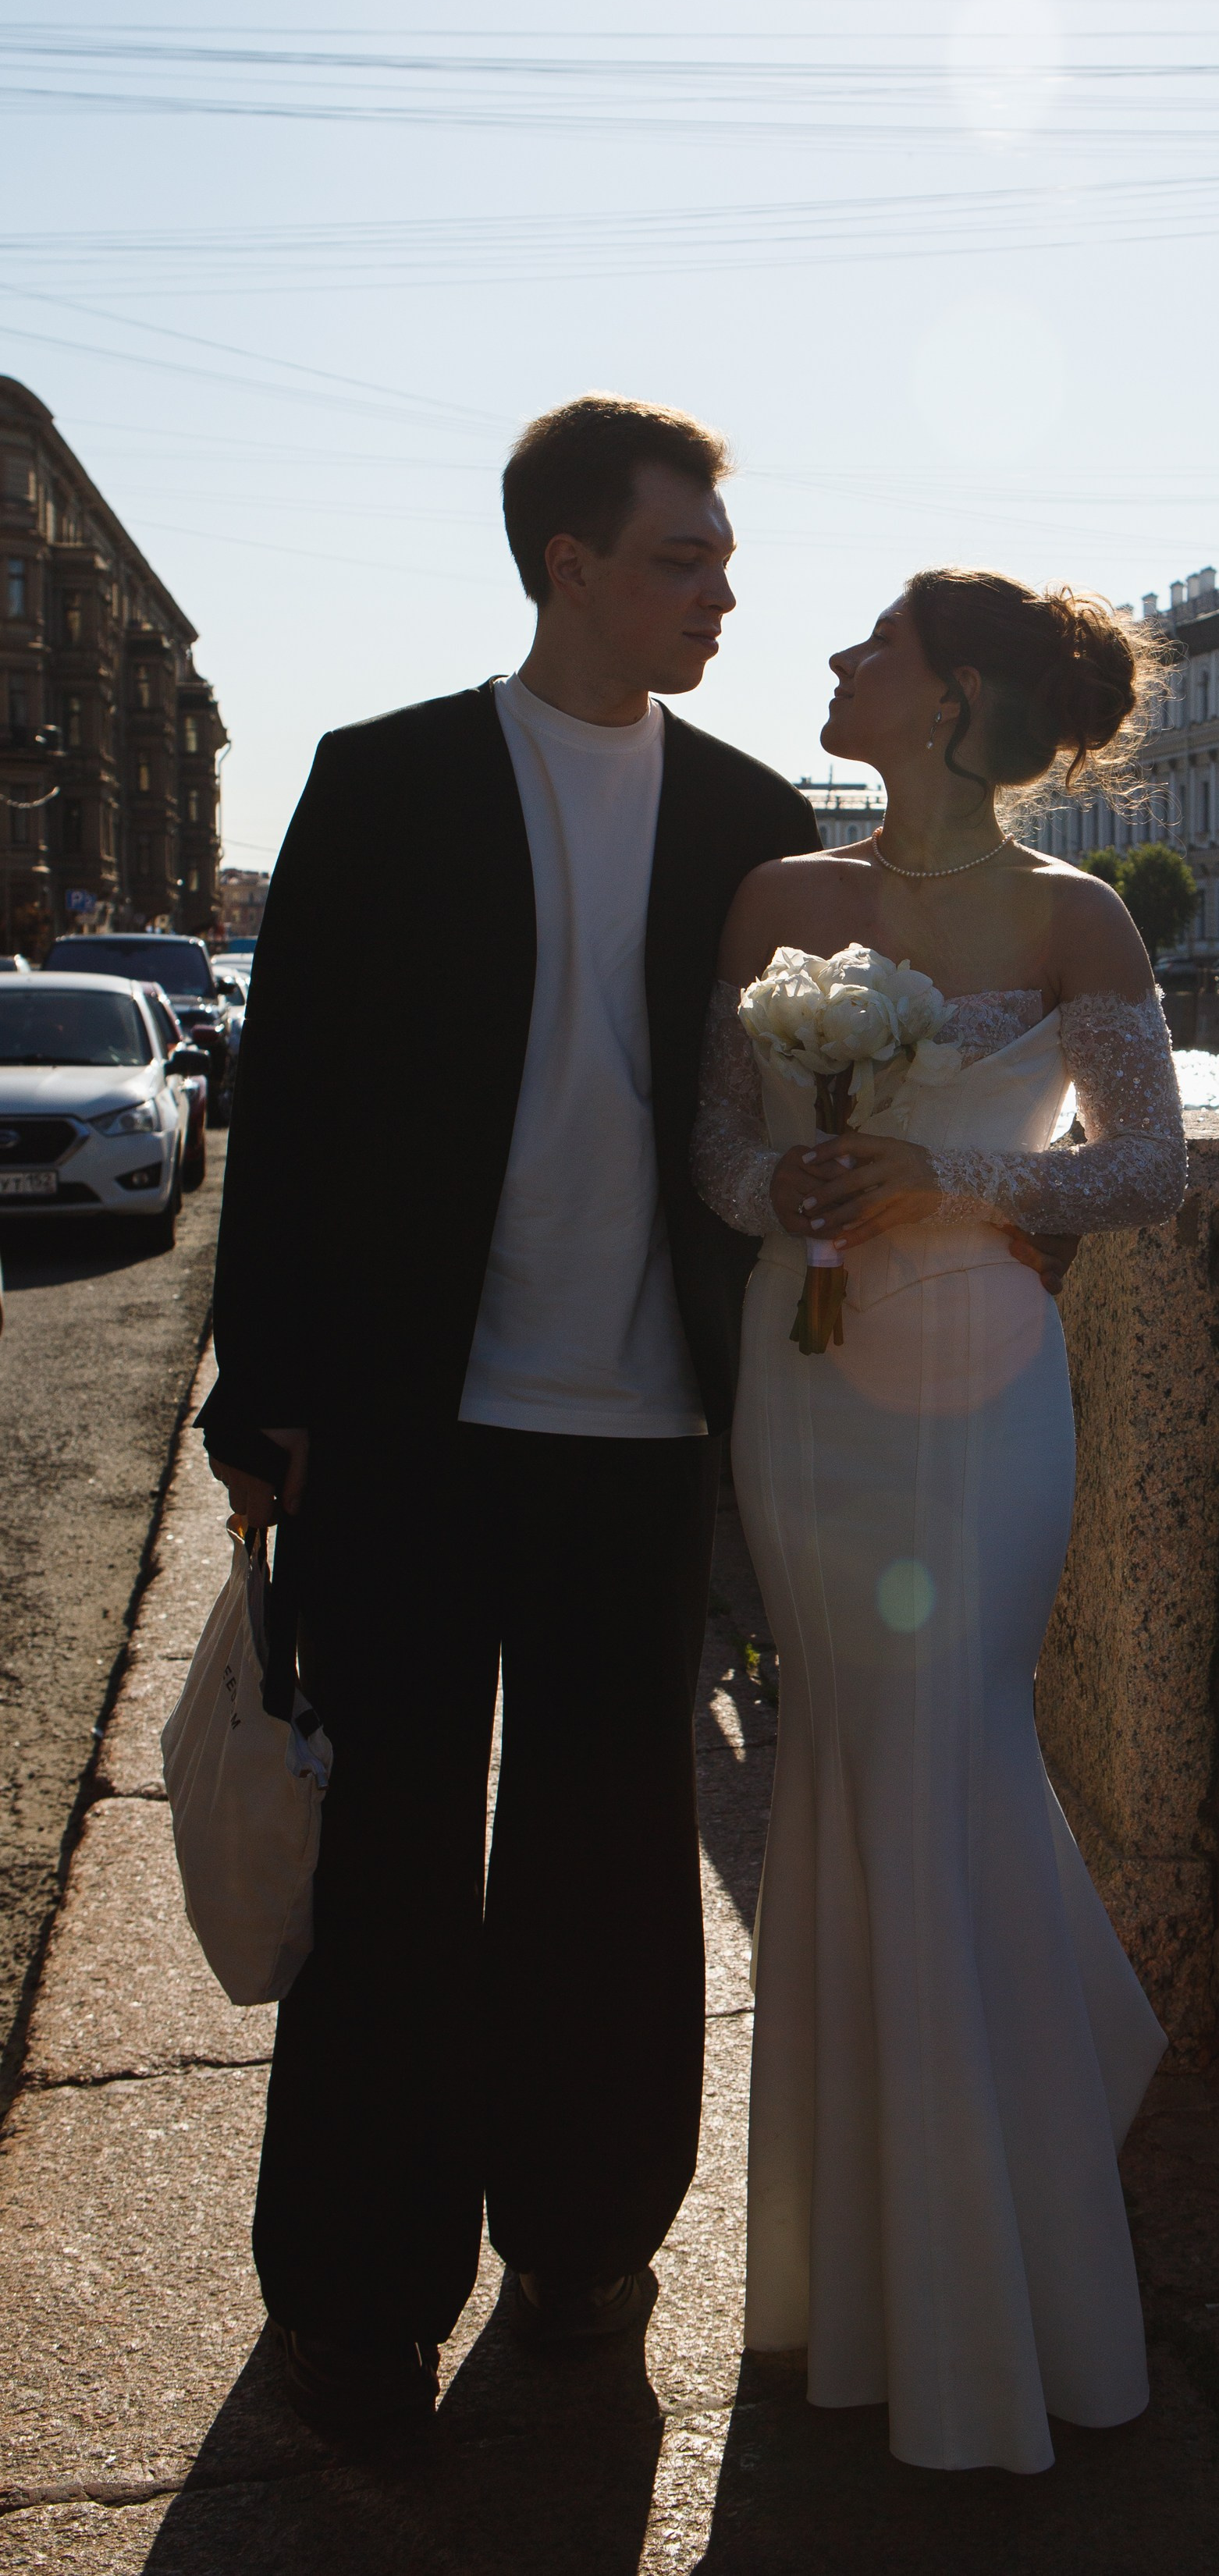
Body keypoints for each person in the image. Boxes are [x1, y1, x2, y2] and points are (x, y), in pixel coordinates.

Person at [201, 395, 822, 2438]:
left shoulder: (748, 818)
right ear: (566, 559)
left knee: (608, 1855)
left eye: (720, 560)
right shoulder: (382, 785)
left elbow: (768, 1129)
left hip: (640, 1433)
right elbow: (280, 1115)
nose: (718, 589)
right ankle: (359, 2285)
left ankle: (585, 2235)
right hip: (407, 1418)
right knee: (385, 1853)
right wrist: (259, 1399)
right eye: (680, 557)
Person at [691, 569, 1189, 2475]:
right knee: (842, 1758)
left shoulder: (1079, 918)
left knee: (950, 1748)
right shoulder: (779, 900)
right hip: (806, 1385)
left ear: (959, 695)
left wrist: (954, 1178)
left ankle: (1001, 2294)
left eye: (871, 645)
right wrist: (795, 1189)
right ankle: (861, 2286)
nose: (832, 665)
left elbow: (1140, 1164)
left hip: (985, 1383)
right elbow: (719, 1150)